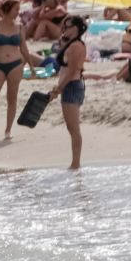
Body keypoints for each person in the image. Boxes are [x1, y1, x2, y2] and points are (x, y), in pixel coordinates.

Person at [0, 0, 38, 143]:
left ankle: (8, 130)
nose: (18, 12)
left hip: (15, 64)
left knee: (11, 98)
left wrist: (32, 67)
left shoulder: (20, 27)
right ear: (7, 10)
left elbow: (24, 48)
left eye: (18, 9)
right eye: (15, 9)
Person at [49, 15, 87, 170]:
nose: (65, 29)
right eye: (64, 26)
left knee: (74, 128)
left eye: (69, 26)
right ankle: (75, 162)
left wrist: (58, 89)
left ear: (77, 28)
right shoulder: (70, 44)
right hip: (70, 85)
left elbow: (71, 71)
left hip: (71, 85)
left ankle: (75, 163)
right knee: (72, 128)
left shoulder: (76, 46)